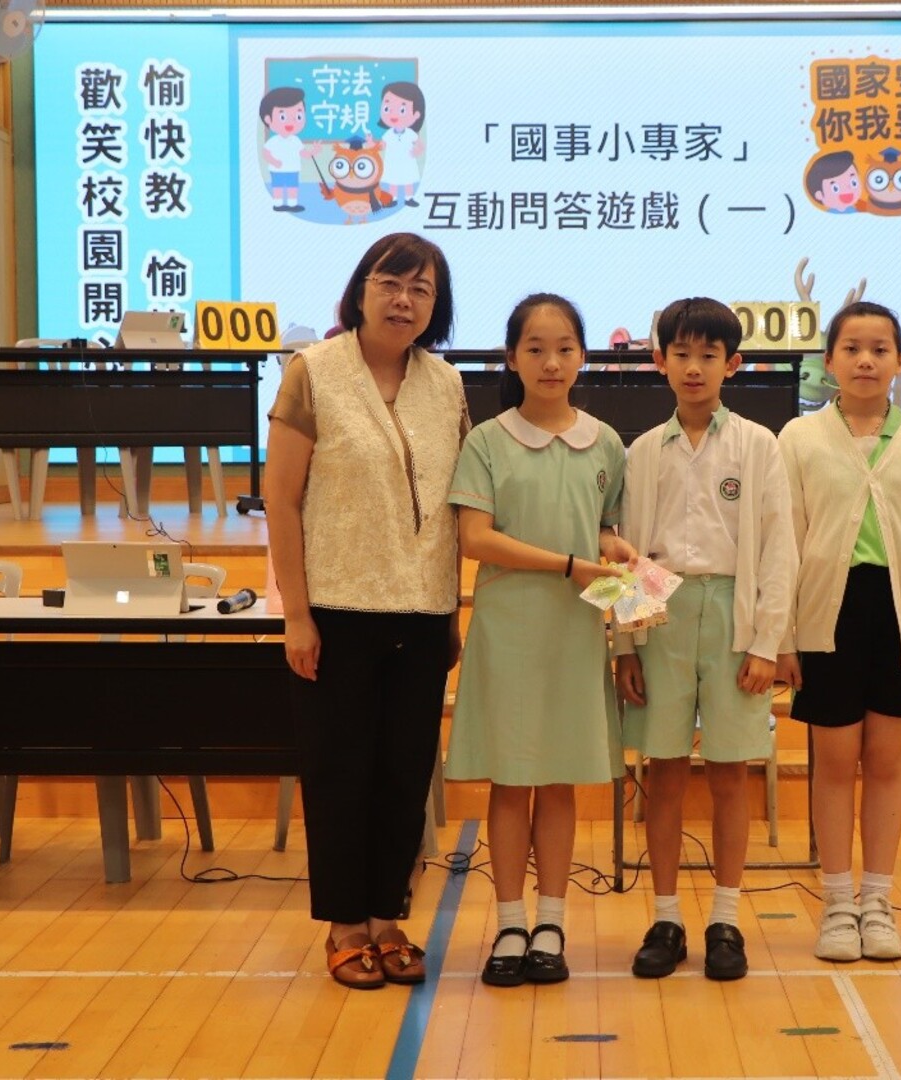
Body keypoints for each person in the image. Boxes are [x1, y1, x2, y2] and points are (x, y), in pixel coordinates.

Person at [265, 233, 465, 991]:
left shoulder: (446, 384)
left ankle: (387, 918)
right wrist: (296, 614)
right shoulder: (313, 370)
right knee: (338, 771)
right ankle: (346, 926)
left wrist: (450, 613)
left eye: (421, 289)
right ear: (360, 290)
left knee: (404, 775)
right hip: (335, 611)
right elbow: (282, 499)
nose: (403, 300)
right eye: (390, 283)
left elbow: (453, 509)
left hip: (422, 613)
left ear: (436, 306)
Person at [445, 293, 637, 988]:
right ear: (511, 358)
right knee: (510, 779)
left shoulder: (606, 443)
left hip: (575, 627)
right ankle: (508, 924)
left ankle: (550, 922)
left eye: (564, 348)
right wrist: (568, 563)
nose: (551, 362)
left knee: (557, 779)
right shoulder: (486, 441)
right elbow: (474, 538)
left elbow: (605, 526)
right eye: (535, 348)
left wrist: (613, 549)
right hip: (509, 627)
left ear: (583, 356)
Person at [614, 297, 797, 981]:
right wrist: (625, 645)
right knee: (662, 772)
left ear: (733, 363)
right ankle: (665, 918)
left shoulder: (758, 444)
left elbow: (778, 549)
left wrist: (766, 642)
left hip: (732, 616)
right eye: (681, 354)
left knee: (728, 773)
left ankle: (725, 920)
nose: (694, 367)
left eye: (708, 355)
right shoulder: (640, 451)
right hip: (660, 609)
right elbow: (628, 555)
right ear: (659, 361)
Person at [775, 300, 901, 962]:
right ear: (827, 361)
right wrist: (782, 636)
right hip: (825, 618)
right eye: (851, 348)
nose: (865, 360)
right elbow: (784, 543)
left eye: (880, 349)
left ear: (899, 361)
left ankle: (877, 902)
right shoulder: (798, 439)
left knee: (885, 762)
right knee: (832, 763)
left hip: (899, 617)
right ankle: (836, 904)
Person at [258, 86, 318, 213]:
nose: (291, 122)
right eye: (282, 117)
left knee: (292, 187)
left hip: (293, 169)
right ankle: (278, 204)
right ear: (268, 119)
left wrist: (313, 152)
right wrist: (274, 161)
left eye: (298, 116)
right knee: (278, 187)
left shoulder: (296, 140)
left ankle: (292, 204)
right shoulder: (273, 141)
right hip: (277, 170)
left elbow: (302, 153)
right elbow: (266, 152)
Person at [376, 80, 426, 207]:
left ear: (416, 115)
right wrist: (372, 144)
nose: (393, 114)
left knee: (407, 181)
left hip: (407, 161)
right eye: (387, 108)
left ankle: (409, 198)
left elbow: (420, 144)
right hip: (393, 162)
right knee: (393, 182)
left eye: (402, 110)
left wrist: (417, 151)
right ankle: (392, 199)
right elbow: (382, 145)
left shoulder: (410, 133)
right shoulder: (388, 133)